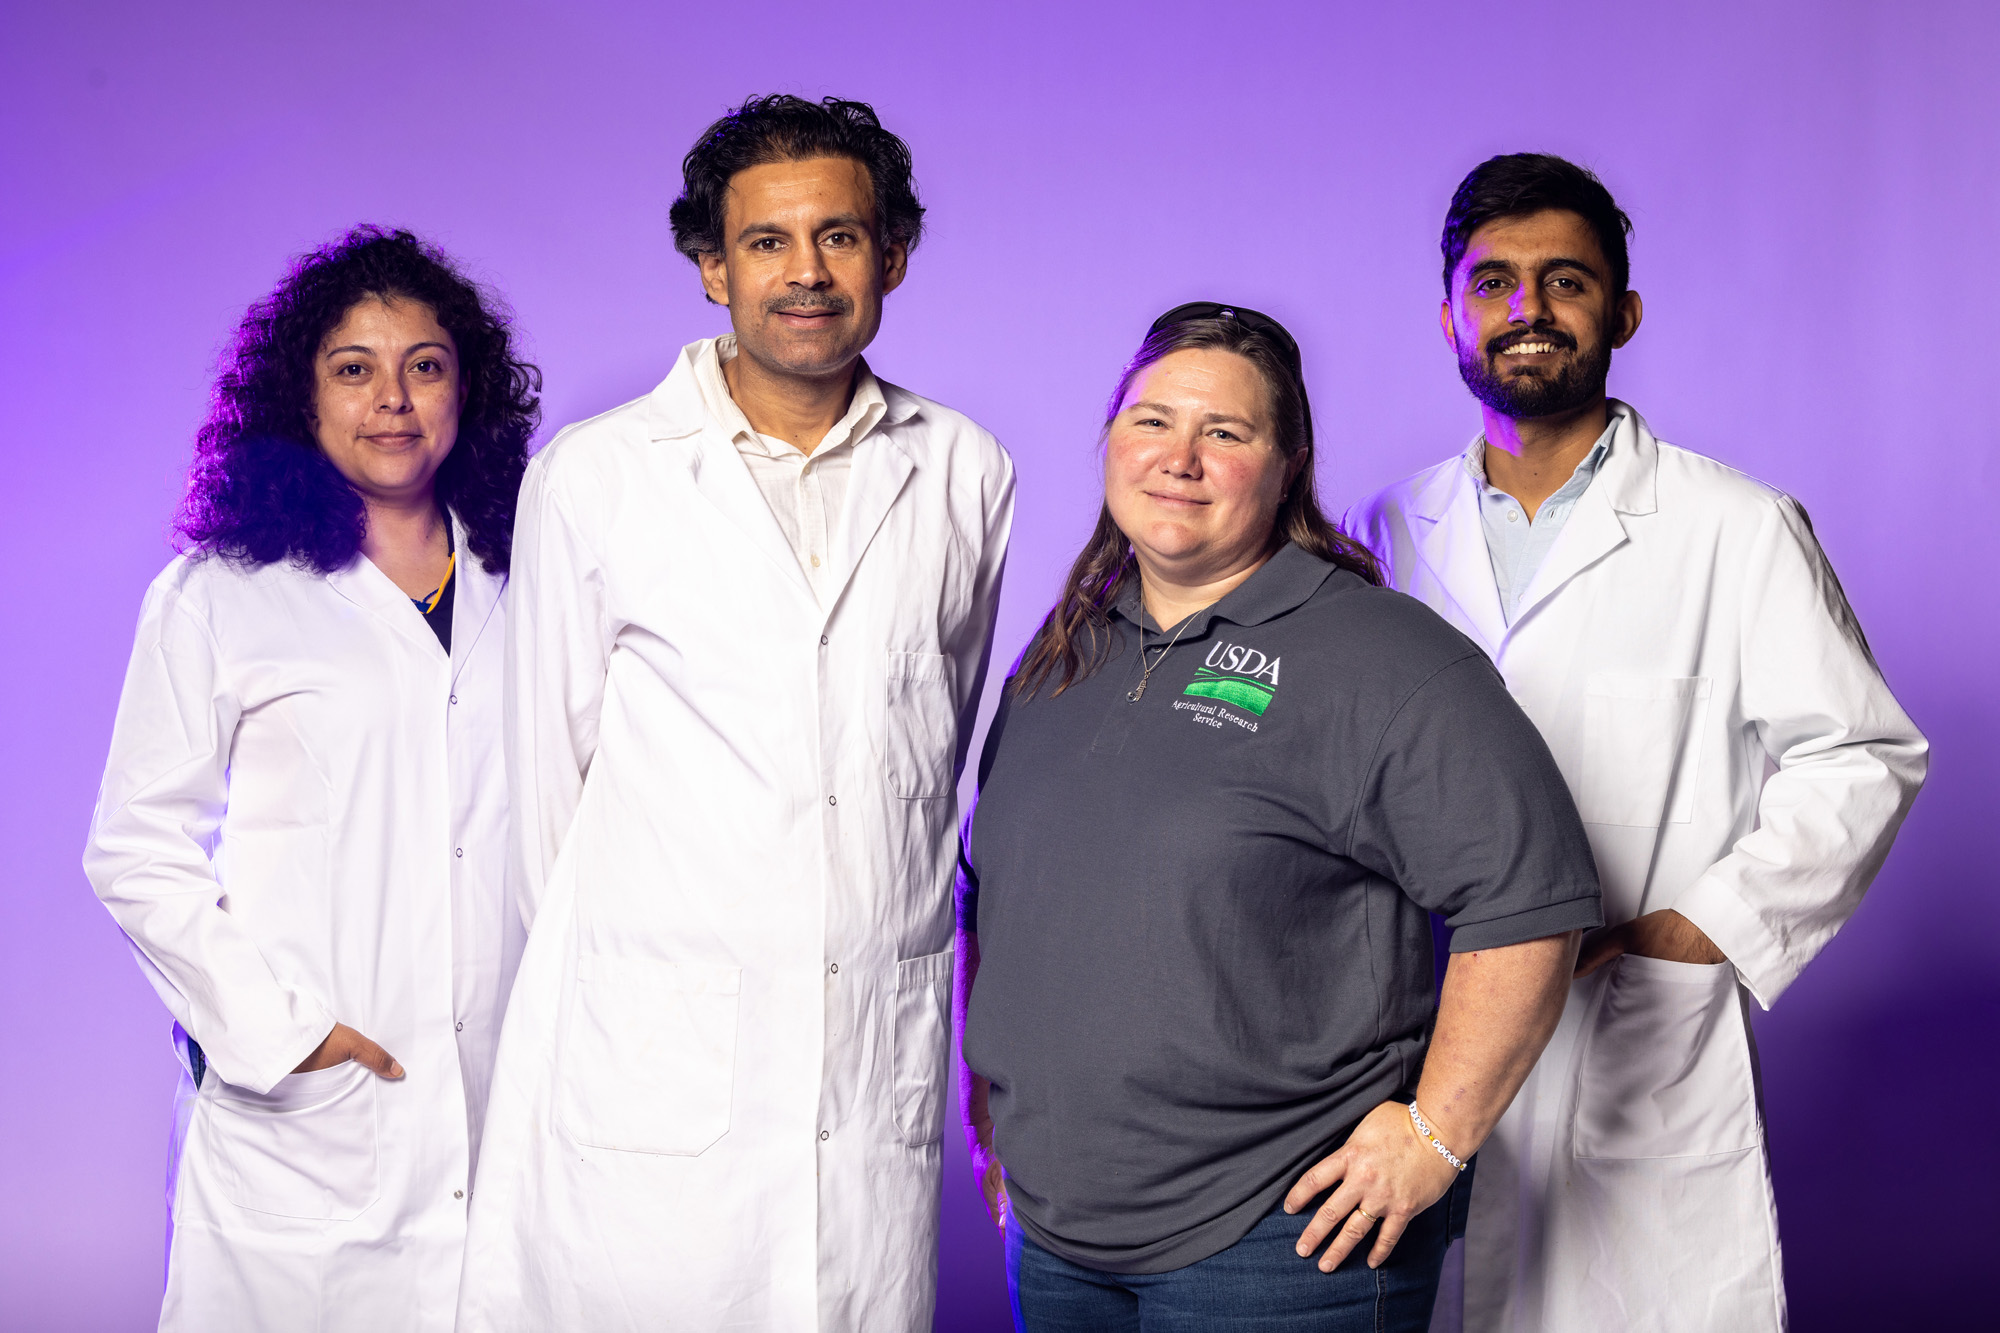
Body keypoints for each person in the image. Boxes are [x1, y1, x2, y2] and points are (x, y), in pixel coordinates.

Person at [455, 96, 1014, 1333]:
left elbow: (924, 759)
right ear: (711, 267)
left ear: (894, 256)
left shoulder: (965, 468)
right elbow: (546, 800)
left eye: (839, 237)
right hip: (647, 1086)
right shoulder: (596, 476)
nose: (804, 273)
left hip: (867, 1067)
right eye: (765, 242)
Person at [1345, 154, 1929, 1333]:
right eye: (1493, 281)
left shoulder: (1734, 527)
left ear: (1621, 311)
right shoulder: (1382, 532)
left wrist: (1696, 930)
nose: (1526, 311)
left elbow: (1861, 755)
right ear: (1448, 315)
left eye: (1564, 281)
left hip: (1634, 1034)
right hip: (1421, 1039)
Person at [954, 303, 1603, 1332]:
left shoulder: (1380, 657)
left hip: (1277, 1244)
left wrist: (1433, 1137)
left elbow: (1529, 900)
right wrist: (990, 1118)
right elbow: (989, 896)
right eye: (1150, 420)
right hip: (1059, 1240)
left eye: (1224, 432)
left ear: (1286, 462)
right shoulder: (1061, 655)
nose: (1179, 457)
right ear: (1108, 441)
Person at [82, 226, 540, 1331]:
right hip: (309, 1124)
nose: (393, 398)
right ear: (304, 398)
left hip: (507, 1104)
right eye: (354, 369)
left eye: (423, 366)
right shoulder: (222, 593)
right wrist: (280, 1032)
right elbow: (136, 848)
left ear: (463, 390)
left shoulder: (532, 578)